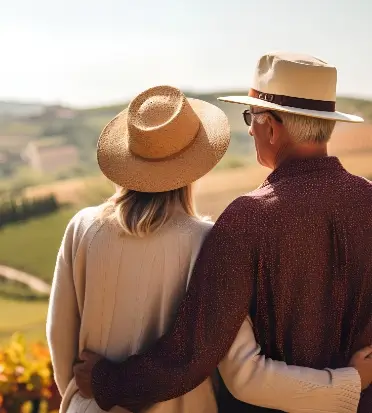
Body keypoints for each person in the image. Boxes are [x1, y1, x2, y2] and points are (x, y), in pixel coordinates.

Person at [72, 53, 372, 413]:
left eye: (252, 118)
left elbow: (190, 356)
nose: (249, 129)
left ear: (272, 129)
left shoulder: (248, 220)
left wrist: (107, 381)